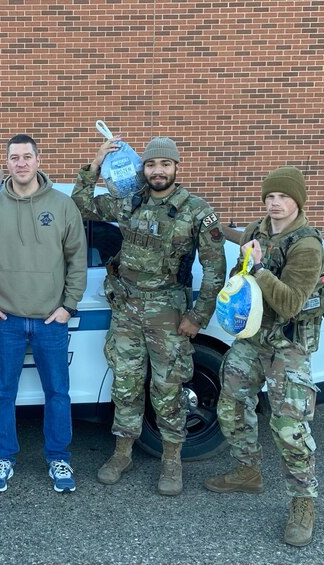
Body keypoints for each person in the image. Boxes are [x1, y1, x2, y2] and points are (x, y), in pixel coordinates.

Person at [71, 136, 226, 495]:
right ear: (144, 168)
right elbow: (81, 205)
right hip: (126, 307)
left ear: (176, 167)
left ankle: (171, 461)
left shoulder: (197, 211)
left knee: (168, 388)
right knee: (125, 384)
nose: (158, 171)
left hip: (167, 312)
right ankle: (122, 452)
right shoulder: (128, 203)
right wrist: (96, 163)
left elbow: (215, 270)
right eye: (152, 165)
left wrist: (198, 317)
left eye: (165, 165)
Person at [204, 166, 324, 547]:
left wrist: (257, 269)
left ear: (298, 201)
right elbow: (245, 244)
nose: (275, 203)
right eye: (270, 197)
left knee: (289, 428)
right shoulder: (259, 229)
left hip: (286, 345)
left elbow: (289, 303)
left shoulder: (307, 246)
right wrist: (219, 229)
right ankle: (247, 470)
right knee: (231, 405)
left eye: (283, 198)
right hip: (253, 338)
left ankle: (303, 502)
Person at [0, 134, 87, 493]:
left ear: (38, 160)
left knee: (58, 393)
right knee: (2, 393)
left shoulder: (64, 206)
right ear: (6, 163)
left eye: (26, 157)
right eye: (14, 158)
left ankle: (59, 459)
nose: (20, 163)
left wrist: (69, 306)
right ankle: (3, 458)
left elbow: (77, 261)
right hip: (5, 319)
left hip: (51, 319)